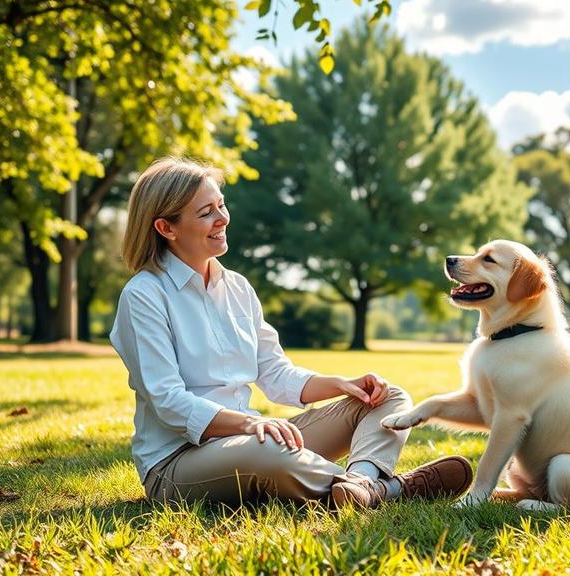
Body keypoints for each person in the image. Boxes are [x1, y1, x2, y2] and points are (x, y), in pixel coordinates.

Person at [109, 157, 473, 509]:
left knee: (388, 397)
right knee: (267, 449)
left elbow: (276, 373)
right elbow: (168, 402)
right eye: (206, 213)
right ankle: (392, 488)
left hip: (250, 440)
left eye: (221, 206)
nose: (222, 219)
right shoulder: (144, 296)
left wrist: (343, 384)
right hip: (177, 463)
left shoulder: (237, 287)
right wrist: (252, 424)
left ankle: (362, 484)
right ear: (166, 228)